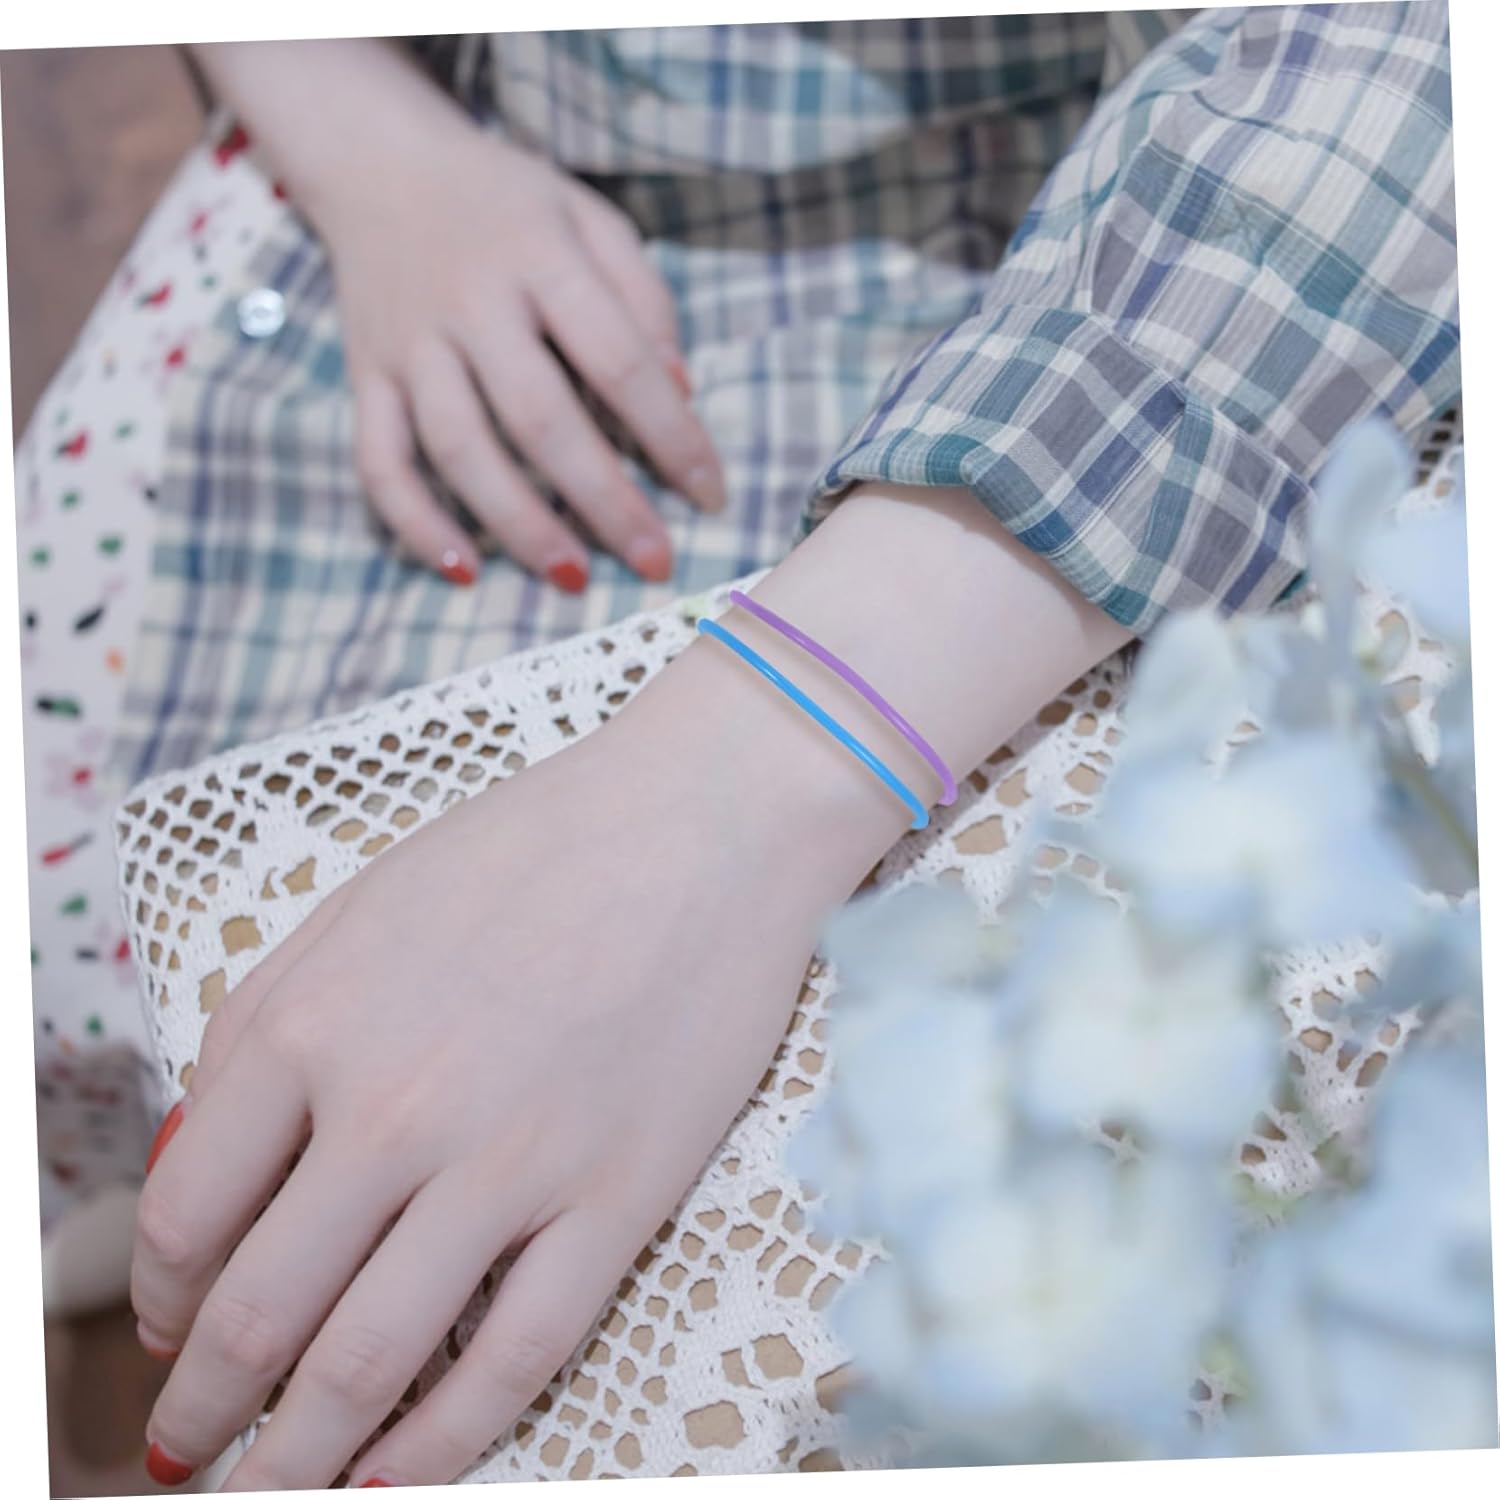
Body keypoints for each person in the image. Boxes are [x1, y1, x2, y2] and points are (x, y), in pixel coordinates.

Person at [18, 4, 1455, 1490]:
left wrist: (758, 758)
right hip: (441, 174)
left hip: (1144, 254)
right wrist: (367, 143)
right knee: (94, 927)